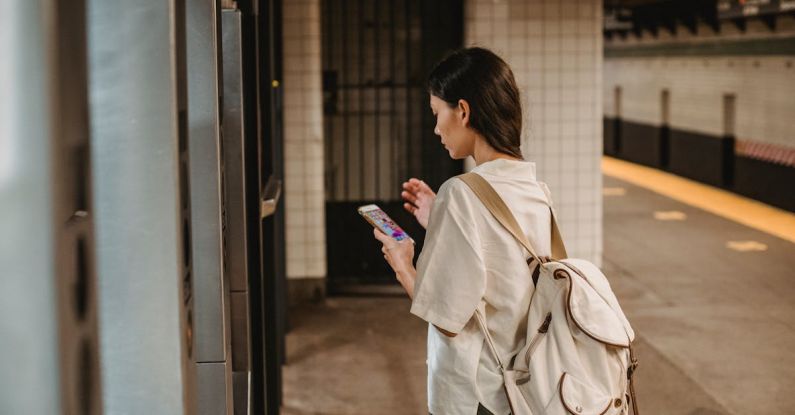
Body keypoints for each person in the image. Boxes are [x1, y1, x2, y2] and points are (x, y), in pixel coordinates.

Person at [372, 47, 555, 415]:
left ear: (464, 111)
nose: (437, 128)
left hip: (480, 394)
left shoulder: (462, 194)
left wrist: (402, 261)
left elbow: (447, 318)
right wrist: (440, 221)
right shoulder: (535, 189)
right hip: (528, 387)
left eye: (437, 113)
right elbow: (501, 263)